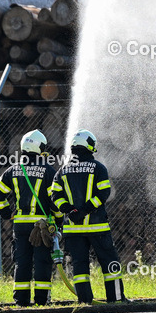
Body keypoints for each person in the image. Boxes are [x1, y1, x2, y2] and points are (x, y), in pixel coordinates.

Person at [49, 129, 127, 303]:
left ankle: (84, 301)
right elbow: (103, 193)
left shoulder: (62, 171)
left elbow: (55, 196)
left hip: (73, 229)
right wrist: (85, 210)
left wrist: (70, 211)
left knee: (79, 265)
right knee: (109, 262)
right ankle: (116, 299)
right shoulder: (98, 168)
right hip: (97, 226)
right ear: (90, 146)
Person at [0, 129, 58, 306]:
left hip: (20, 226)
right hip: (41, 226)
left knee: (22, 262)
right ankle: (42, 301)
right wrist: (57, 223)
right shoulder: (48, 171)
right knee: (42, 261)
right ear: (39, 148)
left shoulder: (13, 170)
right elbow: (55, 202)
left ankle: (21, 300)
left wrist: (6, 213)